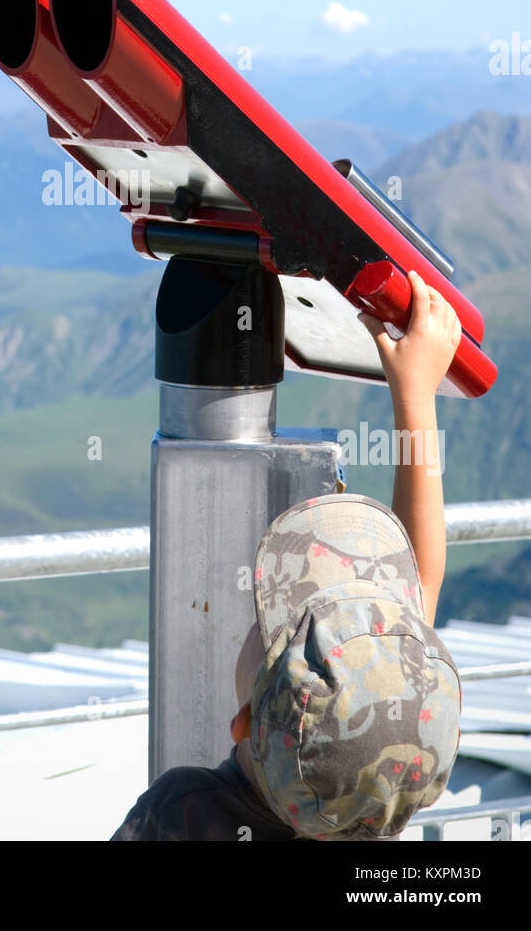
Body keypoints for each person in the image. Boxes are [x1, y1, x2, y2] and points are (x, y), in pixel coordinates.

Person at [111, 269, 464, 841]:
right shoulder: (370, 808)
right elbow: (414, 596)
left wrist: (412, 393)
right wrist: (416, 393)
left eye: (278, 629)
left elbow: (413, 602)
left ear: (243, 722)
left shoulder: (179, 813)